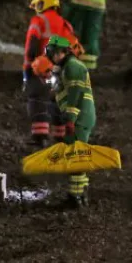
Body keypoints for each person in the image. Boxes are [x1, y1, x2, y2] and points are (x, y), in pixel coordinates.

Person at [41, 35, 96, 207]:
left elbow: (75, 96)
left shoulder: (73, 67)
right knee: (78, 155)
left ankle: (75, 198)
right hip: (79, 115)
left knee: (76, 157)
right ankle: (81, 195)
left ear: (63, 52)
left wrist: (70, 120)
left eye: (52, 53)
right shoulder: (67, 67)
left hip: (80, 116)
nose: (50, 56)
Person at [24, 0, 81, 146]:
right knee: (57, 103)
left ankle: (40, 137)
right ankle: (60, 138)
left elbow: (32, 44)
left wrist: (31, 63)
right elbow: (75, 48)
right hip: (61, 71)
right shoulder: (65, 24)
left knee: (37, 99)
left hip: (40, 68)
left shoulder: (38, 21)